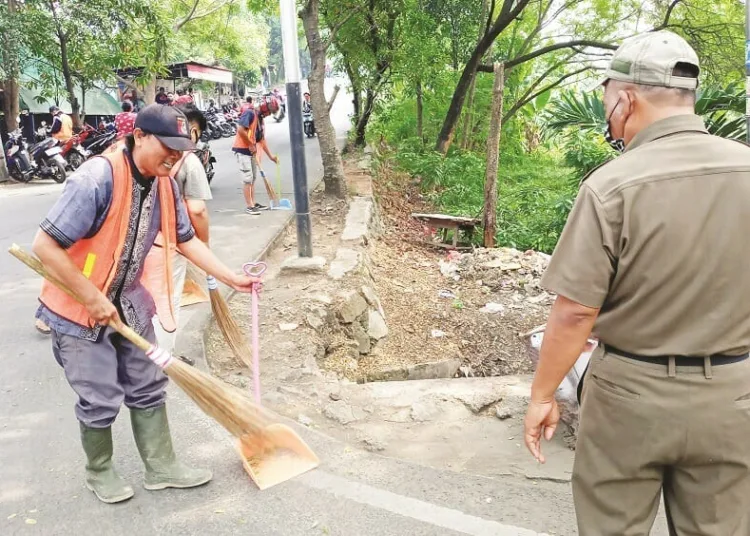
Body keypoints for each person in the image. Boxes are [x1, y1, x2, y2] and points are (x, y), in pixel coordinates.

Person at [523, 31, 750, 534]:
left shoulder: (611, 185)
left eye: (607, 103)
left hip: (629, 396)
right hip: (733, 395)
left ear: (624, 99)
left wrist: (542, 397)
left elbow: (575, 312)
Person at [33, 104, 259, 505]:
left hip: (130, 303)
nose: (175, 157)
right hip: (78, 308)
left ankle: (161, 467)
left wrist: (229, 277)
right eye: (167, 147)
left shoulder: (164, 181)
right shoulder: (95, 179)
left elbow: (185, 238)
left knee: (149, 384)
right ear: (139, 136)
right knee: (100, 396)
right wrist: (91, 297)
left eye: (181, 149)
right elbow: (44, 247)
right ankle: (99, 470)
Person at [150, 104, 212, 353]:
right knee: (167, 301)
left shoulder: (140, 153)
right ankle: (163, 359)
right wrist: (204, 246)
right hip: (170, 242)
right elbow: (197, 210)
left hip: (137, 240)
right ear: (193, 131)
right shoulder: (189, 161)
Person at [232, 98, 279, 215]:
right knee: (247, 178)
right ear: (265, 108)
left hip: (250, 150)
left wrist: (271, 157)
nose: (269, 115)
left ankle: (253, 202)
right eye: (269, 112)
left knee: (252, 178)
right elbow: (240, 129)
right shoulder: (250, 113)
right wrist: (249, 144)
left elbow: (261, 140)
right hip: (243, 150)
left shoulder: (260, 120)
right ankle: (249, 206)